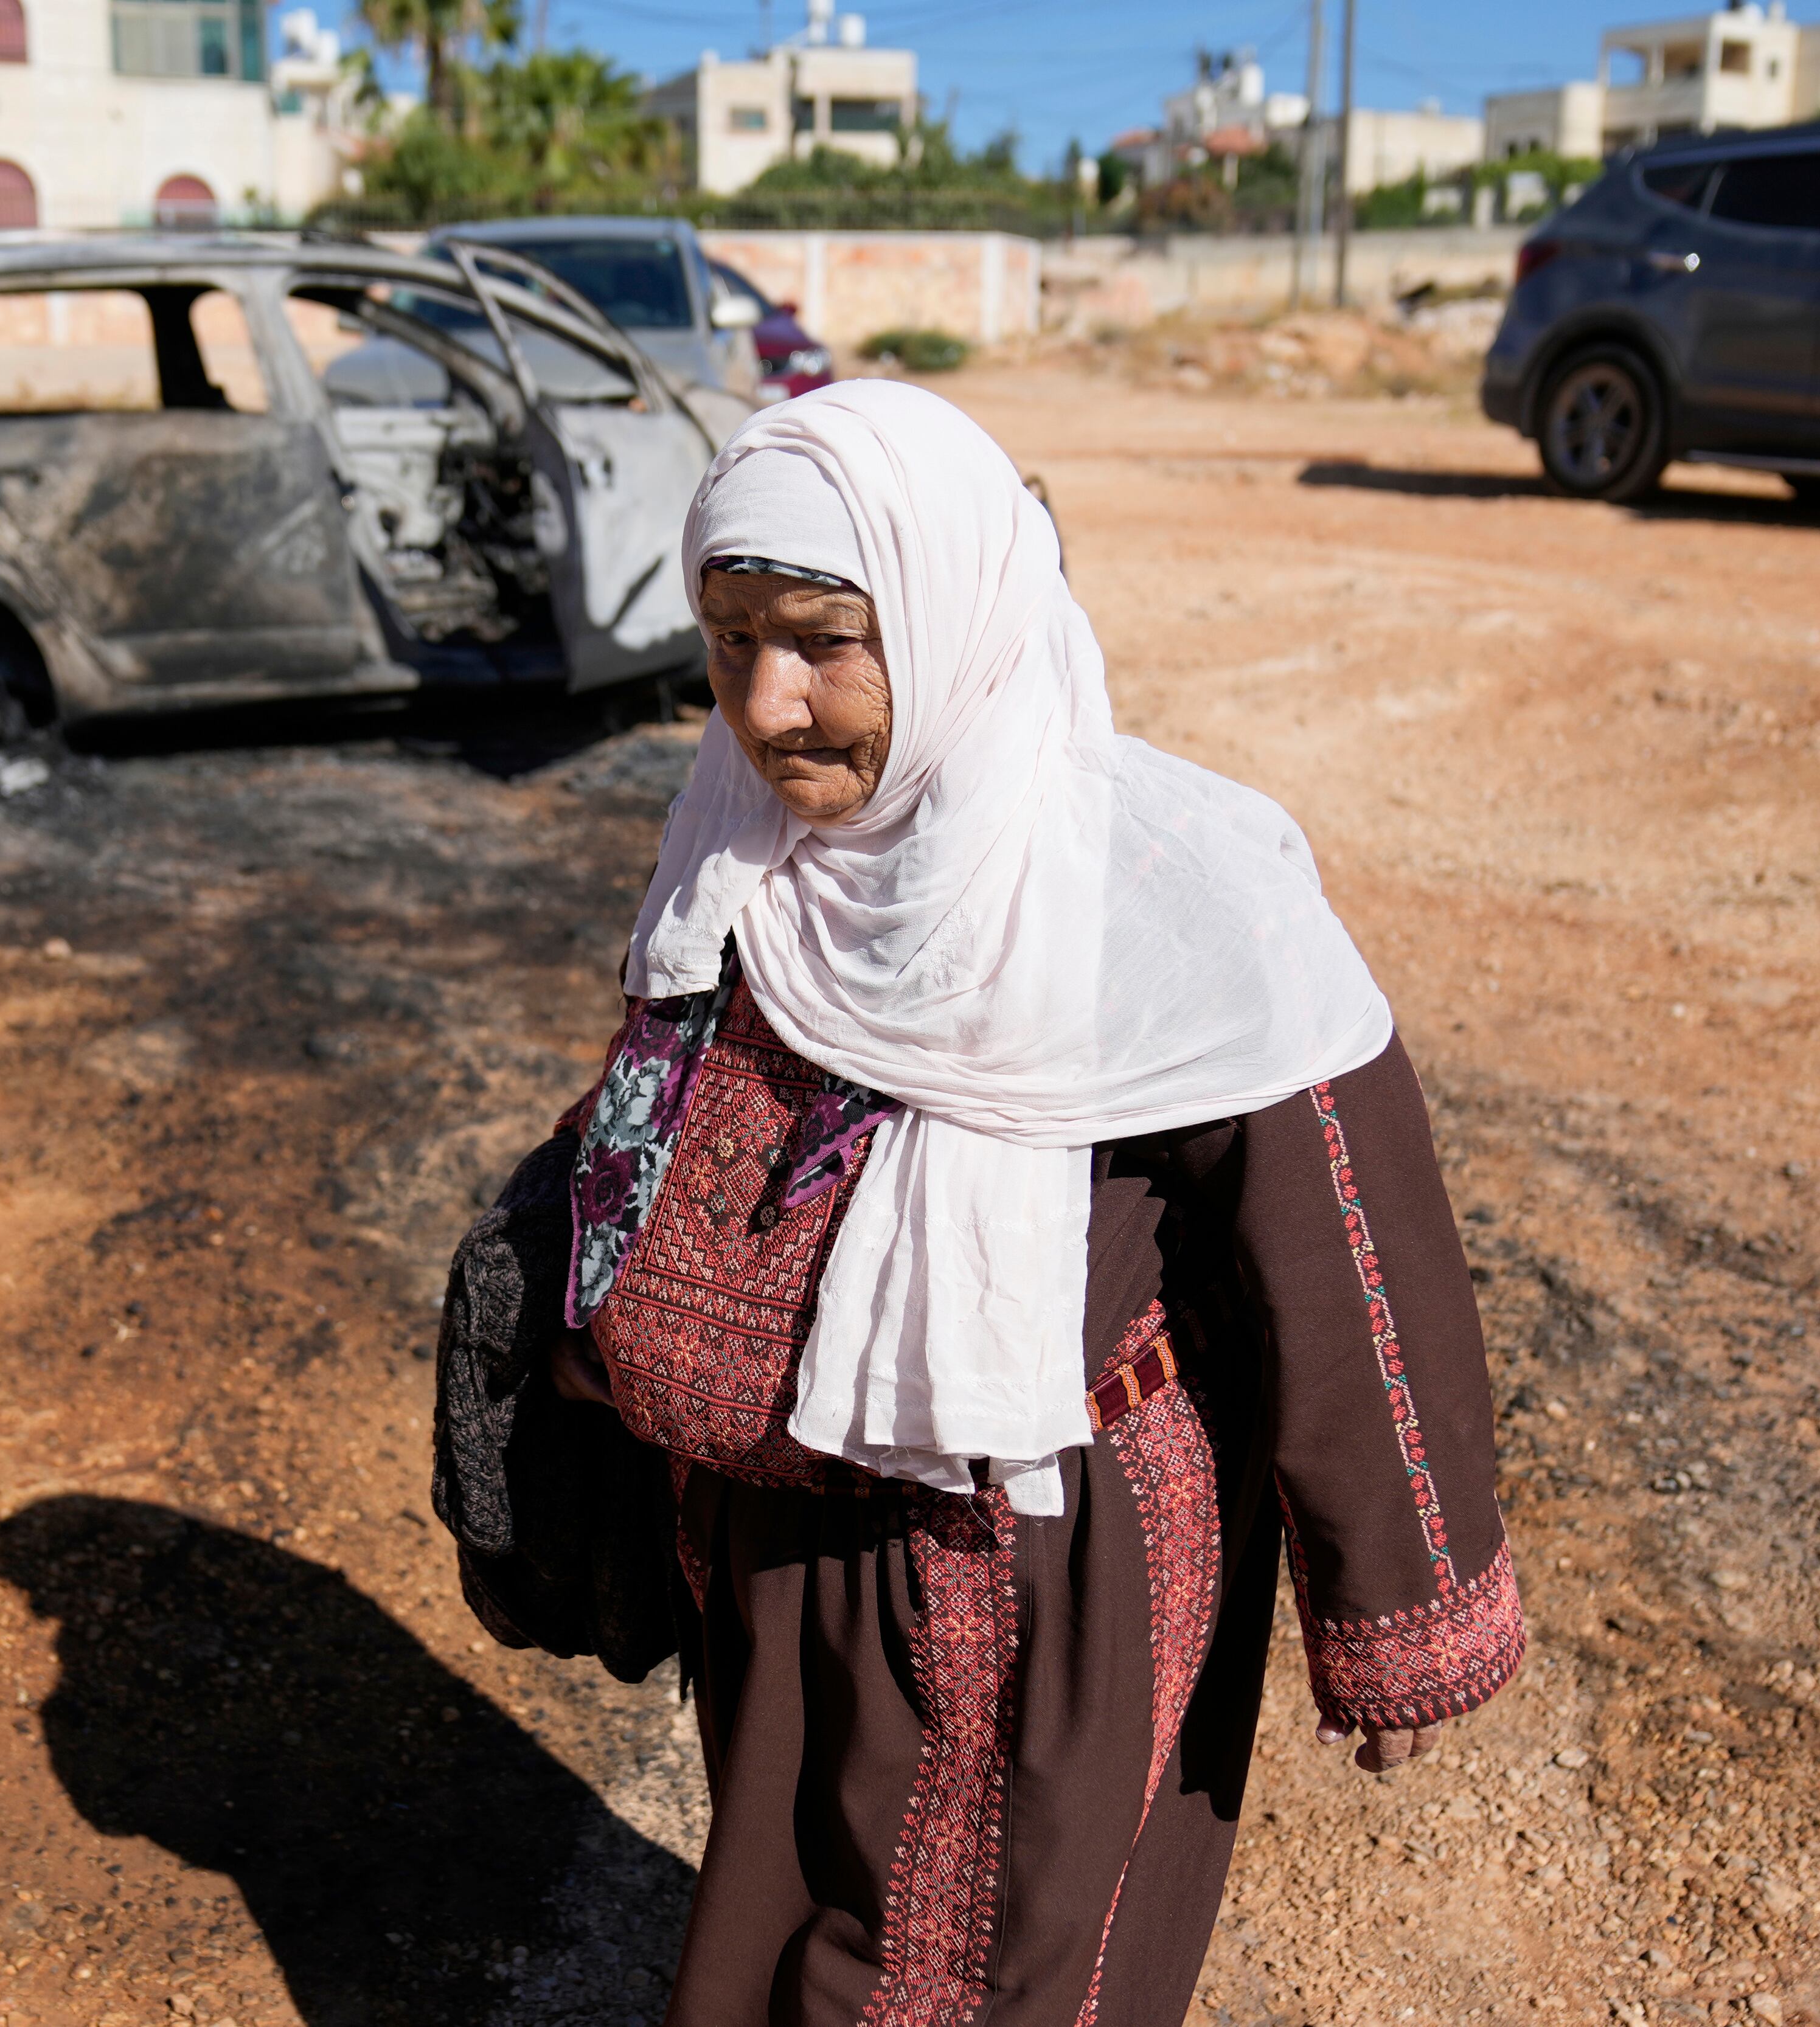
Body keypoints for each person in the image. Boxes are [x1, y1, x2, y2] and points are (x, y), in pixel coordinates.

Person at [547, 381, 1522, 2026]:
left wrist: (1398, 1597)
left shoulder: (1168, 884)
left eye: (825, 640)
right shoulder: (735, 844)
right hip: (779, 1545)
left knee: (1004, 1971)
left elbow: (1340, 1241)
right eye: (727, 645)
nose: (769, 707)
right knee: (778, 1900)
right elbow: (647, 1133)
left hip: (1044, 1570)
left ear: (953, 612)